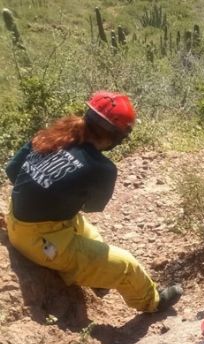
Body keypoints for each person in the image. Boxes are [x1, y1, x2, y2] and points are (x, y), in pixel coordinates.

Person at [4, 91, 181, 313]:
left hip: (17, 217)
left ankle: (99, 281)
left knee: (93, 236)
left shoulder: (51, 135)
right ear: (117, 137)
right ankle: (151, 302)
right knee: (127, 265)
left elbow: (12, 171)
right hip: (40, 241)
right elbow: (92, 207)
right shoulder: (102, 168)